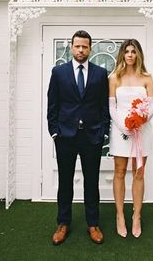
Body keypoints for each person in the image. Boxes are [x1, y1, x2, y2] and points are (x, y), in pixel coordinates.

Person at [47, 30, 110, 245]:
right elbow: (52, 105)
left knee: (91, 182)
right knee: (65, 182)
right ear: (72, 47)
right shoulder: (59, 72)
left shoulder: (101, 74)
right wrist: (54, 132)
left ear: (90, 48)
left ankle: (93, 224)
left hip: (92, 136)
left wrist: (103, 132)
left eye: (85, 46)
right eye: (77, 46)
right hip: (65, 136)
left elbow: (104, 106)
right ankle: (63, 223)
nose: (81, 50)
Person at [109, 39, 153, 238]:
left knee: (139, 173)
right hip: (121, 131)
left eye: (133, 51)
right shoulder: (114, 78)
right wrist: (125, 125)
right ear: (122, 54)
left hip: (142, 131)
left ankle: (136, 216)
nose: (130, 55)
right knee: (119, 172)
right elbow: (112, 107)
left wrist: (140, 121)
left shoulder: (146, 77)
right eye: (127, 51)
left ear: (138, 55)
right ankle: (120, 215)